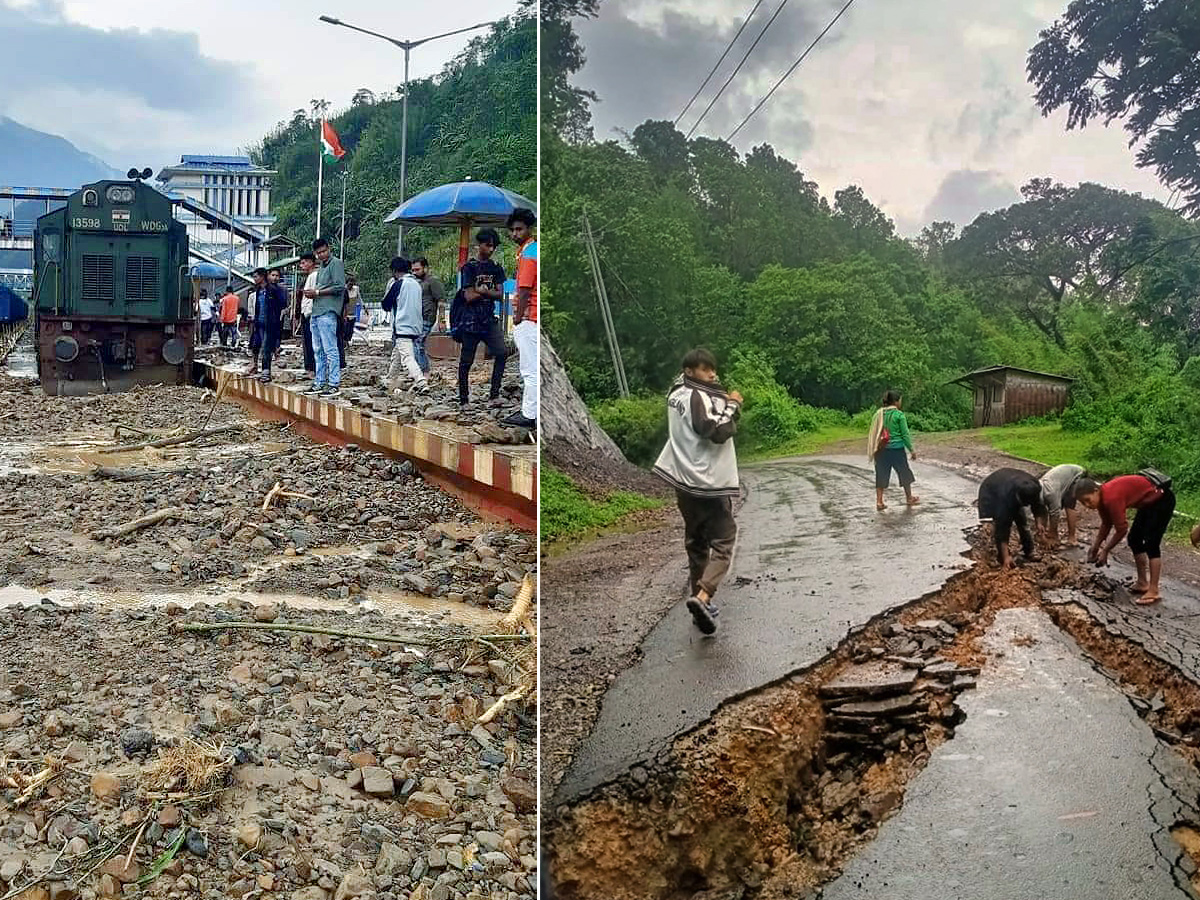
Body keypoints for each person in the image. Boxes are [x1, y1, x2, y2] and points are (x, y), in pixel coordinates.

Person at [652, 348, 743, 636]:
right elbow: (715, 431)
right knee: (725, 541)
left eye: (712, 369)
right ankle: (704, 597)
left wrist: (719, 395)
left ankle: (699, 607)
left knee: (696, 544)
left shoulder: (675, 394)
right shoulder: (698, 397)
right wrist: (733, 405)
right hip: (708, 482)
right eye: (705, 370)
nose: (712, 374)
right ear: (690, 372)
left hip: (683, 481)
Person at [1076, 471, 1176, 605]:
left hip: (1161, 500)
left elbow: (1121, 529)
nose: (1087, 505)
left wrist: (1105, 550)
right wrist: (1095, 546)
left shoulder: (1111, 498)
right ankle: (1142, 582)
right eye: (1083, 503)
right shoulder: (1101, 500)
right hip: (1148, 503)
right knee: (1134, 539)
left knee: (1152, 543)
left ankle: (1154, 589)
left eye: (1088, 500)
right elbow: (1106, 524)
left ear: (1096, 490)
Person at [450, 228, 507, 407]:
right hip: (470, 321)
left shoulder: (496, 268)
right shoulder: (469, 267)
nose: (491, 249)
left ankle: (494, 395)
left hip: (488, 319)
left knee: (502, 352)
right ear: (479, 245)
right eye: (488, 245)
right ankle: (464, 399)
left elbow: (500, 294)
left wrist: (481, 291)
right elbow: (468, 296)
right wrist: (487, 293)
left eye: (493, 246)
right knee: (466, 361)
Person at [503, 208, 538, 430]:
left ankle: (529, 414)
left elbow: (524, 290)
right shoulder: (530, 250)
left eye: (519, 229)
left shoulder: (528, 254)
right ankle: (530, 410)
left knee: (529, 369)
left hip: (528, 318)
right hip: (532, 317)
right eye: (513, 230)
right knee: (531, 368)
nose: (515, 233)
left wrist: (516, 318)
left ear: (528, 229)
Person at [978, 467, 1047, 568]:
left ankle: (1029, 550)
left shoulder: (1034, 486)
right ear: (1018, 496)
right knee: (1001, 521)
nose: (1027, 506)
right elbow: (1003, 527)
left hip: (1008, 480)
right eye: (1024, 503)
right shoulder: (1004, 497)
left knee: (1023, 522)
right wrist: (1006, 556)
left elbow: (1037, 505)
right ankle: (1002, 556)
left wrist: (1039, 523)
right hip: (991, 491)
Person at [304, 237, 346, 396]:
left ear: (329, 248)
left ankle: (334, 383)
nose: (322, 255)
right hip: (316, 311)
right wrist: (314, 293)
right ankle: (319, 382)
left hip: (328, 312)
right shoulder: (321, 267)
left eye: (323, 251)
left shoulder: (336, 263)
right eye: (318, 252)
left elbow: (339, 286)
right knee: (318, 349)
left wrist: (318, 292)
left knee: (330, 349)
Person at [381, 257, 428, 393]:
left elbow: (386, 305)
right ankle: (390, 379)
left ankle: (421, 381)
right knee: (397, 353)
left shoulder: (398, 284)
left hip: (403, 326)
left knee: (407, 357)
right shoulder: (417, 284)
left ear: (395, 271)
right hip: (416, 326)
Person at [867, 390, 919, 510]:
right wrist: (911, 450)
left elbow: (874, 432)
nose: (900, 402)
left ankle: (879, 502)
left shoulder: (877, 414)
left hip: (881, 450)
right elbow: (905, 434)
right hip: (897, 450)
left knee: (881, 474)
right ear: (896, 402)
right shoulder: (899, 415)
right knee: (904, 473)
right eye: (900, 400)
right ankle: (909, 498)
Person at [252, 268, 287, 382]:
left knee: (267, 348)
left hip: (270, 324)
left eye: (256, 276)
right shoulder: (258, 290)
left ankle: (266, 372)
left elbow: (282, 304)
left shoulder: (274, 290)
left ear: (262, 276)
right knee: (258, 345)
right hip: (260, 323)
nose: (254, 279)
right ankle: (259, 368)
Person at [1038, 463, 1085, 548]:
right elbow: (1041, 511)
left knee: (1069, 504)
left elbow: (1055, 513)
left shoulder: (1050, 493)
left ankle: (1072, 538)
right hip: (1061, 477)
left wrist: (1053, 535)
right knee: (1045, 508)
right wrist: (1042, 532)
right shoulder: (1036, 489)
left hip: (1076, 474)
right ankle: (1050, 533)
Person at [412, 257, 445, 376]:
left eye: (417, 269)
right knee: (416, 344)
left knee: (418, 343)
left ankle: (423, 372)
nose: (415, 272)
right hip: (417, 318)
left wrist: (442, 321)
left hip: (427, 317)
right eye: (413, 270)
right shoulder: (417, 282)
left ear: (425, 268)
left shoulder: (433, 281)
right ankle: (421, 371)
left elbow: (441, 302)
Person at [295, 253, 317, 376]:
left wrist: (308, 311)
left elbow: (311, 296)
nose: (301, 266)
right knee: (307, 341)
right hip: (305, 312)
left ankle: (312, 368)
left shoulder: (314, 276)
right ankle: (309, 367)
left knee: (311, 341)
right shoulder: (306, 278)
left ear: (311, 262)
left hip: (310, 313)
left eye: (304, 263)